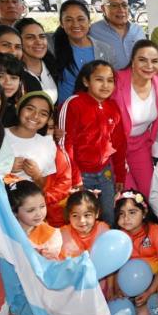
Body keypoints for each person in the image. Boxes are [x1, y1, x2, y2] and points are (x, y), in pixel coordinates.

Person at [58, 60, 126, 225]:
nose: (105, 85)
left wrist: (120, 175)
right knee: (84, 218)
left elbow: (120, 143)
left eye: (110, 80)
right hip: (80, 175)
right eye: (99, 79)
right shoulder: (73, 104)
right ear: (86, 81)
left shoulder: (113, 106)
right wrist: (75, 178)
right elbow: (65, 145)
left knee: (109, 215)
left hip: (105, 173)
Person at [111, 40, 158, 197]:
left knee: (150, 193)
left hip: (141, 144)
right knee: (128, 195)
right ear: (132, 61)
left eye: (154, 61)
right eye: (142, 60)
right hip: (114, 147)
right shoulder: (115, 80)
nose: (149, 66)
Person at [113, 190, 158, 315]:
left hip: (155, 283)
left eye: (132, 212)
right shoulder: (117, 236)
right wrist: (117, 288)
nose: (126, 218)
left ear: (144, 213)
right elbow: (115, 267)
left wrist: (150, 292)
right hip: (126, 284)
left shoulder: (157, 232)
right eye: (121, 213)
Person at [53, 0, 115, 104]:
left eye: (80, 19)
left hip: (97, 110)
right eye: (69, 20)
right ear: (62, 24)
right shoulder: (53, 48)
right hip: (67, 111)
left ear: (89, 22)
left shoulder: (105, 50)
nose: (75, 24)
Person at [5, 92, 57, 187]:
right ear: (19, 109)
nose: (35, 116)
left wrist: (36, 175)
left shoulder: (47, 144)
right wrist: (5, 166)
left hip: (29, 195)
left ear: (48, 119)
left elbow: (44, 186)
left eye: (43, 114)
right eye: (30, 109)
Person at [89, 0, 146, 71]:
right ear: (103, 8)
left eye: (124, 5)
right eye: (114, 5)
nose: (121, 10)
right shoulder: (93, 31)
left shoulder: (138, 30)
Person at [8, 180, 63, 260]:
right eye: (31, 210)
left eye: (42, 206)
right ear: (14, 211)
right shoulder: (6, 231)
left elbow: (51, 264)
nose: (39, 214)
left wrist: (44, 258)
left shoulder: (51, 236)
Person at [15, 18, 59, 104]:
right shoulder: (14, 73)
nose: (39, 42)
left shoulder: (53, 65)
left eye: (42, 36)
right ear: (18, 41)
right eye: (30, 37)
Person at [43, 114, 76, 228]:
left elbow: (65, 183)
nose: (46, 132)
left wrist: (44, 197)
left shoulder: (58, 154)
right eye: (43, 127)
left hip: (55, 214)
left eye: (50, 128)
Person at [58, 190, 110, 259]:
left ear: (96, 213)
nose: (82, 221)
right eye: (75, 215)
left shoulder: (103, 231)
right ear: (68, 216)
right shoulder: (63, 235)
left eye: (87, 215)